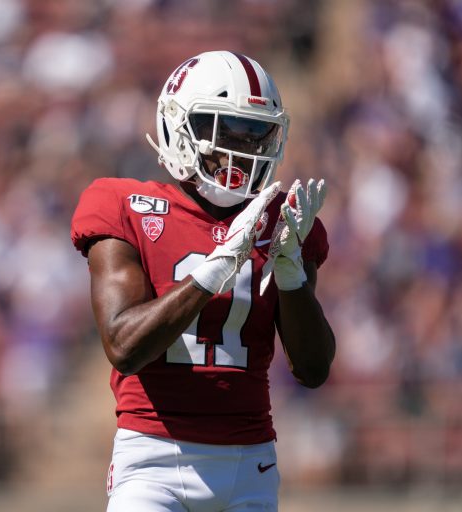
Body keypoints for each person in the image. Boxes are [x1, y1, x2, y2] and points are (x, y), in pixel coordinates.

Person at [70, 50, 336, 511]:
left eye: (258, 134)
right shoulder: (124, 206)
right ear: (179, 126)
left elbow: (313, 370)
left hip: (251, 462)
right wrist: (215, 267)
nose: (243, 149)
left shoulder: (284, 222)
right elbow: (124, 347)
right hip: (152, 458)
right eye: (227, 130)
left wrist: (291, 274)